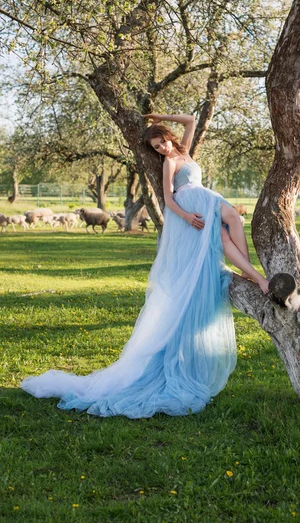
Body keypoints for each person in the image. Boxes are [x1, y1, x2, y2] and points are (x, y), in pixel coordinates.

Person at [20, 114, 269, 419]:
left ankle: (248, 271)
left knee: (233, 221)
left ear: (169, 136)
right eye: (156, 146)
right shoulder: (168, 163)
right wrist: (186, 216)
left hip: (204, 198)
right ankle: (253, 274)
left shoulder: (184, 151)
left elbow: (190, 120)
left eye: (162, 141)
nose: (162, 148)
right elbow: (167, 199)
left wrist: (158, 118)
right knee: (222, 232)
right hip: (190, 207)